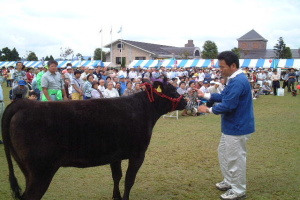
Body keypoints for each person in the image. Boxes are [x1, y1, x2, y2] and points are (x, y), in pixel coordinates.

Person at [197, 51, 255, 200]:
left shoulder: (238, 81)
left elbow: (228, 105)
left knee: (235, 159)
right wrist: (206, 96)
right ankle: (230, 181)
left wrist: (208, 109)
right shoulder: (234, 79)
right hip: (232, 126)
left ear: (233, 65)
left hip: (237, 127)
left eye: (222, 67)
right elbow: (224, 96)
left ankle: (238, 190)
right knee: (224, 153)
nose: (220, 70)